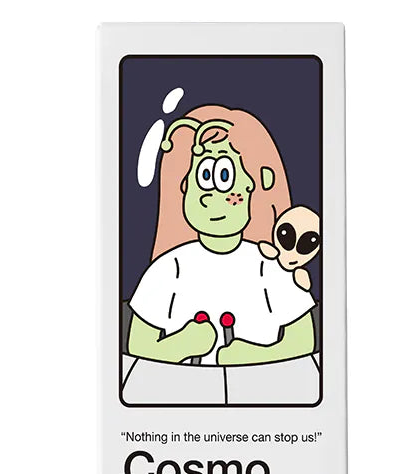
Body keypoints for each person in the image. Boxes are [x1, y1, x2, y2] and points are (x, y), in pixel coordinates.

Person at [127, 106, 316, 366]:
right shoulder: (168, 269)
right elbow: (138, 345)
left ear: (253, 184)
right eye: (203, 177)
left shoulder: (271, 267)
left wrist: (255, 355)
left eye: (225, 176)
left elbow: (303, 340)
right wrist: (181, 345)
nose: (210, 197)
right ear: (183, 187)